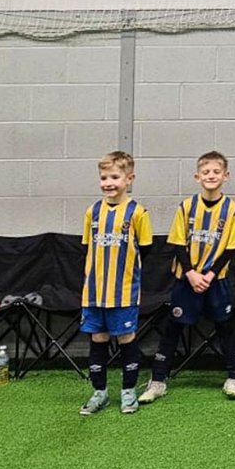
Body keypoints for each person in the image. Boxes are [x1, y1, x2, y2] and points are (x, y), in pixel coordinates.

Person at [138, 151, 235, 404]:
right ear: (197, 177)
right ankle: (158, 380)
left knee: (226, 327)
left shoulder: (233, 209)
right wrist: (192, 274)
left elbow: (231, 248)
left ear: (226, 176)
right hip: (187, 280)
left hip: (216, 281)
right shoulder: (187, 207)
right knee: (173, 327)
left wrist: (208, 275)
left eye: (216, 172)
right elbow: (177, 242)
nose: (211, 176)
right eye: (206, 172)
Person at [79, 151, 153, 415]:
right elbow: (87, 248)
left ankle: (128, 391)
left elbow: (145, 249)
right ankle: (99, 392)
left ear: (129, 179)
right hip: (94, 293)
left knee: (125, 338)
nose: (108, 183)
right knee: (97, 339)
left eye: (115, 177)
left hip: (123, 294)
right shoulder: (93, 211)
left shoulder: (138, 212)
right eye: (103, 177)